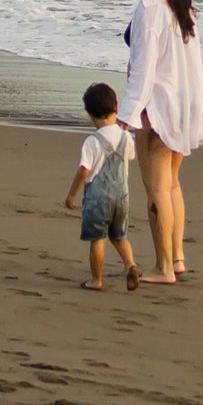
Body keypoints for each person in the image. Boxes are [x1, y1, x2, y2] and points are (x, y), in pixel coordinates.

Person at [117, 0, 203, 285]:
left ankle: (163, 267)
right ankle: (178, 258)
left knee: (157, 189)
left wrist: (125, 115)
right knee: (171, 184)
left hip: (158, 107)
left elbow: (144, 69)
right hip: (186, 102)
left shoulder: (149, 9)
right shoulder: (177, 3)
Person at [62, 82, 140, 292]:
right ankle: (131, 265)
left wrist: (71, 195)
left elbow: (84, 171)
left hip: (98, 200)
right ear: (116, 107)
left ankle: (96, 279)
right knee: (120, 236)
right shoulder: (126, 137)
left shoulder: (92, 141)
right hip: (122, 197)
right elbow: (129, 158)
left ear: (89, 114)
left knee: (98, 240)